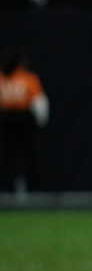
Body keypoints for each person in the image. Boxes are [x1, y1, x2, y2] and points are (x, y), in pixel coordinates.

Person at [0, 48, 49, 194]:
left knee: (5, 156)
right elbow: (40, 103)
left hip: (6, 121)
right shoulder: (27, 78)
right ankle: (36, 190)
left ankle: (3, 190)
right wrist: (41, 121)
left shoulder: (2, 79)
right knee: (31, 155)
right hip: (23, 120)